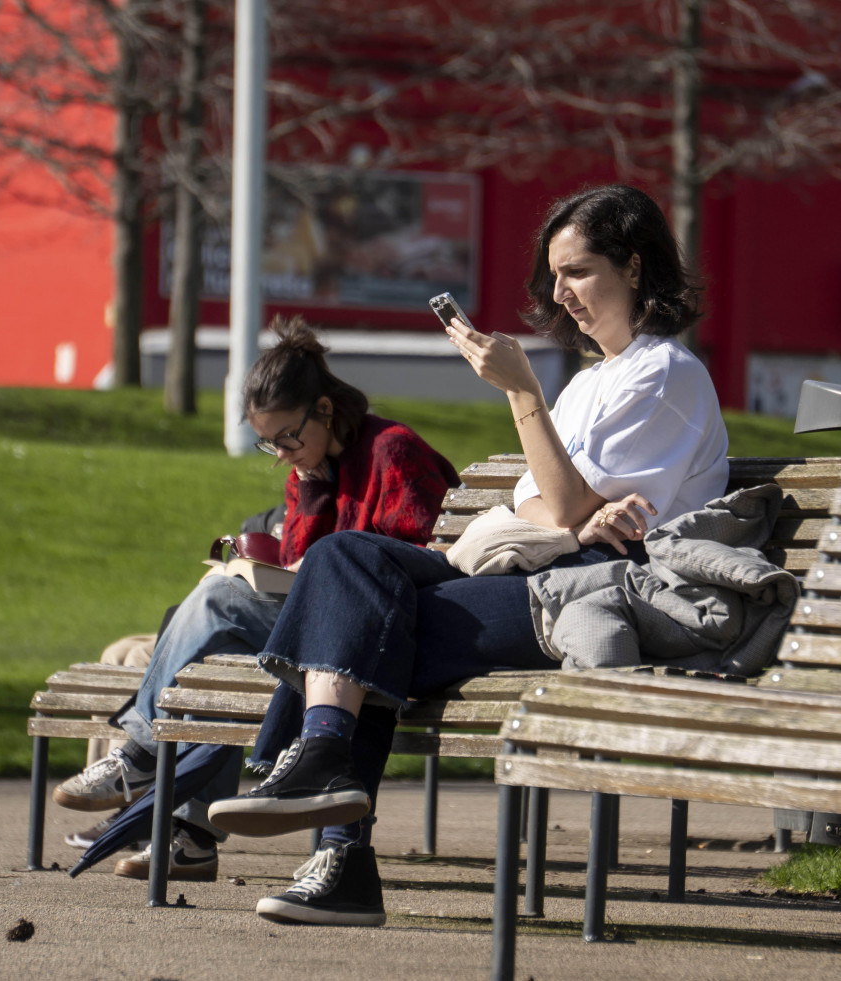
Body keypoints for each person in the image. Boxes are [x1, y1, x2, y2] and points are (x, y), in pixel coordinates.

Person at [206, 183, 731, 926]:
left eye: (576, 271)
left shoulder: (667, 376)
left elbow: (569, 510)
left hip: (593, 592)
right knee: (345, 559)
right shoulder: (587, 383)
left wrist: (522, 399)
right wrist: (568, 507)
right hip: (536, 565)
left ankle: (332, 832)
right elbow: (539, 507)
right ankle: (321, 769)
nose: (560, 293)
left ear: (634, 266)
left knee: (373, 619)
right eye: (553, 275)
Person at [51, 314, 458, 881]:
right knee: (223, 655)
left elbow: (425, 559)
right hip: (320, 637)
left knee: (218, 601)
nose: (284, 453)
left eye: (290, 436)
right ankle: (191, 839)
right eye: (270, 443)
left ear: (324, 409)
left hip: (381, 639)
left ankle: (141, 753)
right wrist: (311, 492)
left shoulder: (393, 451)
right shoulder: (307, 471)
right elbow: (300, 562)